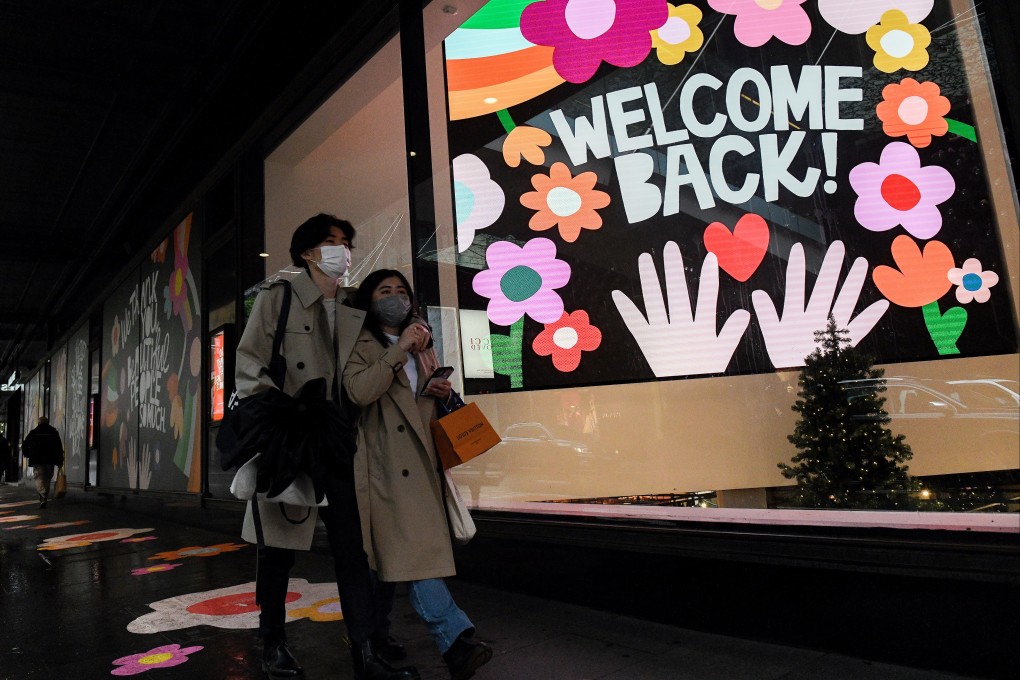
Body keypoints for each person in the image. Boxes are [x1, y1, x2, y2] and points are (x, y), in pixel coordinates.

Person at [235, 214, 424, 680]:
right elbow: (249, 363)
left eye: (346, 242)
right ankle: (272, 641)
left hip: (340, 438)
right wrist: (279, 415)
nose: (342, 250)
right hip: (291, 436)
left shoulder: (354, 306)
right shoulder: (277, 299)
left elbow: (375, 359)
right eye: (331, 242)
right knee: (278, 546)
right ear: (307, 252)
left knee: (352, 548)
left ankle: (364, 651)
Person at [344, 269, 493, 680]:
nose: (395, 298)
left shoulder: (424, 343)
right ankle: (456, 642)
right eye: (384, 291)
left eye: (401, 291)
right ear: (369, 301)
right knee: (410, 557)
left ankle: (372, 636)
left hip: (422, 463)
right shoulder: (359, 342)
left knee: (393, 561)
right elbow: (357, 391)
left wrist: (442, 392)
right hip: (382, 468)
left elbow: (420, 400)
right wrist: (398, 351)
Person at [22, 416, 64, 507]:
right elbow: (59, 447)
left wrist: (27, 454)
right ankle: (44, 496)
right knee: (47, 478)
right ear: (48, 422)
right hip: (50, 459)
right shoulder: (53, 432)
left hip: (37, 459)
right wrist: (60, 460)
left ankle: (43, 494)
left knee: (39, 478)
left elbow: (25, 444)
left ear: (39, 422)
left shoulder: (34, 432)